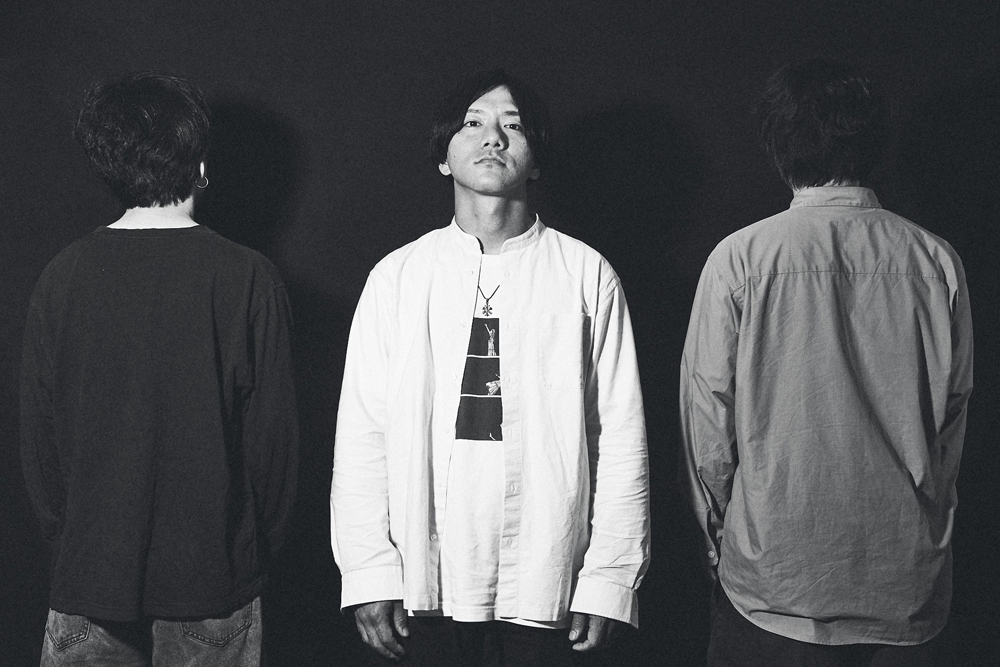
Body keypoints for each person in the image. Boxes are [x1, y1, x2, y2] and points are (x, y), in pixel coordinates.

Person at [331, 69, 650, 666]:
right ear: (444, 156)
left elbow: (618, 434)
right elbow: (362, 434)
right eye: (473, 123)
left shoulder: (586, 274)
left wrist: (610, 577)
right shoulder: (398, 277)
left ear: (536, 161)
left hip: (547, 577)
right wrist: (369, 570)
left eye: (513, 126)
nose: (492, 138)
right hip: (423, 582)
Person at [680, 58, 973, 666]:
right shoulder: (936, 261)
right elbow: (951, 421)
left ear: (778, 146)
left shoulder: (740, 258)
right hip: (904, 585)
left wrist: (719, 540)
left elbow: (708, 424)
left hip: (772, 584)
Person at [20, 71, 298, 666]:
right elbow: (273, 450)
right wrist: (247, 556)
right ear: (200, 165)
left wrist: (73, 548)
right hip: (214, 580)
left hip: (87, 577)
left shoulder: (62, 275)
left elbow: (40, 446)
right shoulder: (247, 277)